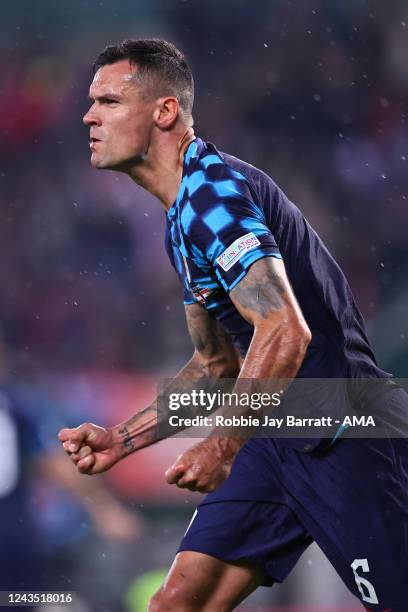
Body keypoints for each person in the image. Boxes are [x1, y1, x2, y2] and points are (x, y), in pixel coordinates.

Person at [59, 39, 408, 611]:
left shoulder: (212, 196)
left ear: (164, 111)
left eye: (109, 101)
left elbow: (285, 329)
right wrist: (120, 441)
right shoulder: (181, 218)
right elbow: (217, 366)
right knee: (177, 603)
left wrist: (222, 445)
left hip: (346, 429)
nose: (88, 115)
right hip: (279, 433)